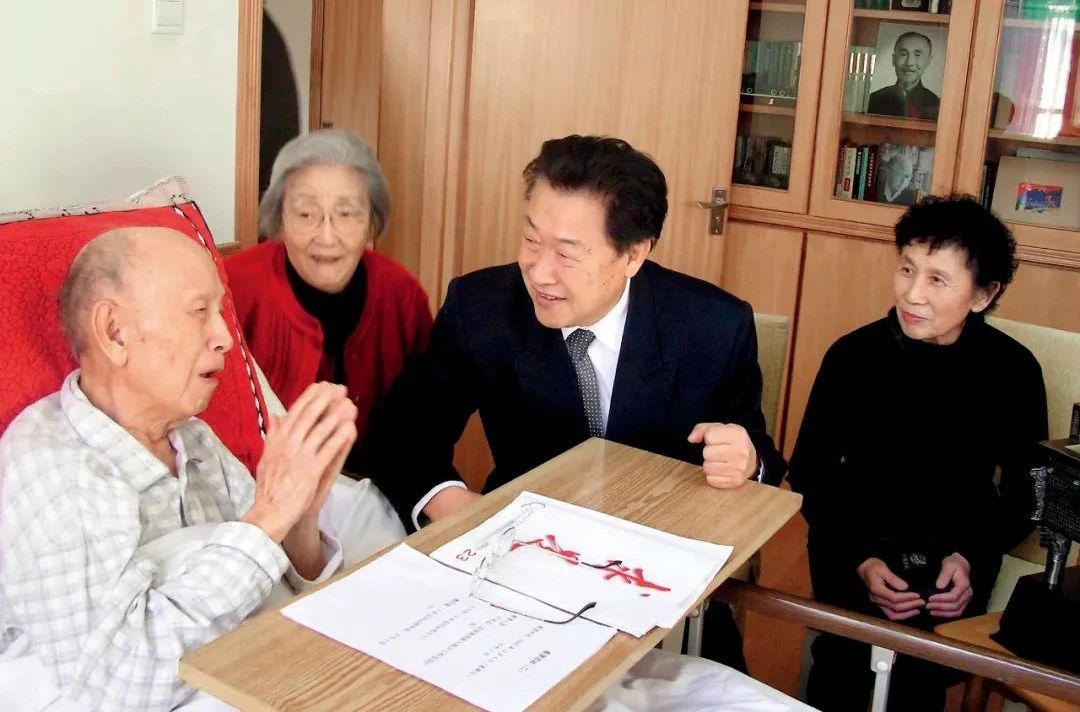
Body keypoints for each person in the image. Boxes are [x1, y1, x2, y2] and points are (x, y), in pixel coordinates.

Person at [363, 134, 785, 669]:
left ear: (633, 254)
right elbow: (401, 435)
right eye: (530, 240)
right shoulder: (483, 308)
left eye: (566, 253)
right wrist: (460, 510)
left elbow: (760, 456)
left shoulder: (712, 326)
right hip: (519, 576)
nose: (539, 272)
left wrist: (746, 460)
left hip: (658, 593)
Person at [0, 228, 359, 710]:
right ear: (115, 332)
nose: (225, 338)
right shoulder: (51, 467)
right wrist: (269, 515)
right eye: (199, 312)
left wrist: (300, 519)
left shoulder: (192, 437)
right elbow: (118, 683)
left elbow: (277, 596)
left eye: (220, 311)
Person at [787, 195, 1048, 711]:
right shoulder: (853, 356)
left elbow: (1026, 494)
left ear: (984, 294)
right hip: (855, 537)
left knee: (919, 678)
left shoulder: (1014, 371)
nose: (912, 293)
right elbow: (810, 471)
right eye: (907, 269)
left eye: (937, 279)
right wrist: (860, 558)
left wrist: (969, 557)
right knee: (843, 666)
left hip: (957, 549)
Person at [226, 129, 433, 465]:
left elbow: (426, 426)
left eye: (346, 214)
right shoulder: (233, 288)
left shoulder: (402, 295)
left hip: (380, 485)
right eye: (306, 214)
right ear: (279, 219)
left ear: (372, 223)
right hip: (257, 482)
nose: (326, 236)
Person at [867, 31, 940, 120]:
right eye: (903, 54)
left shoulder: (936, 105)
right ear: (894, 59)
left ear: (928, 61)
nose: (909, 63)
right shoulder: (873, 100)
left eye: (917, 55)